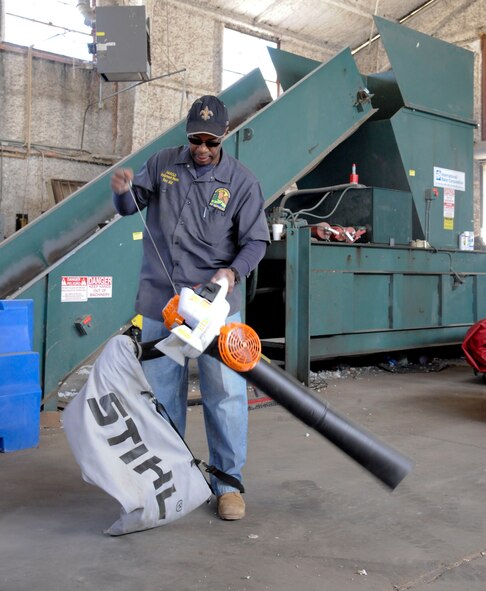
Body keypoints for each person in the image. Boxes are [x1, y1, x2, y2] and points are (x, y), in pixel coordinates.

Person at [111, 95, 270, 521]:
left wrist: (232, 273)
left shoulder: (241, 182)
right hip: (161, 299)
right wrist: (123, 192)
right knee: (161, 396)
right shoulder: (164, 163)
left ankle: (228, 484)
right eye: (195, 140)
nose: (202, 149)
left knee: (226, 395)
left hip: (216, 306)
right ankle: (170, 481)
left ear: (225, 137)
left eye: (211, 142)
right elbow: (132, 206)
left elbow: (257, 240)